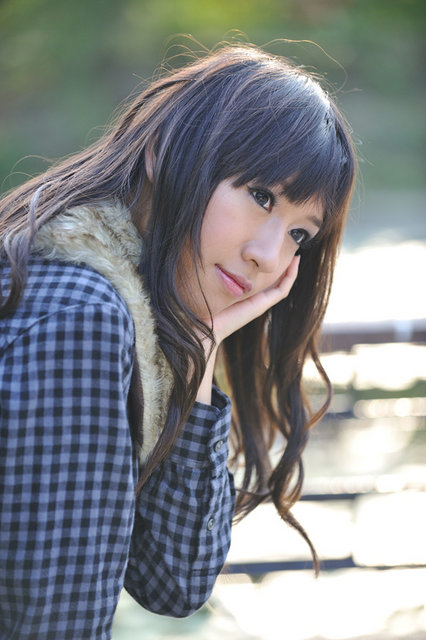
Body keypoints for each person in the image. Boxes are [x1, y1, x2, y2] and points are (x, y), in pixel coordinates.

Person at [0, 44, 356, 638]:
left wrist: (200, 352)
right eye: (261, 196)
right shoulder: (81, 316)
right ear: (164, 153)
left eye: (299, 234)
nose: (269, 256)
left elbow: (173, 582)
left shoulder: (115, 306)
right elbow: (56, 625)